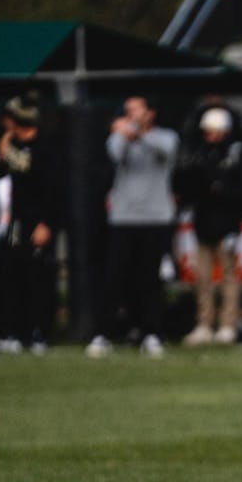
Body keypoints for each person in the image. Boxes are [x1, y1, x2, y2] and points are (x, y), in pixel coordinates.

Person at [86, 96, 179, 359]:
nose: (132, 115)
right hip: (123, 218)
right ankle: (103, 333)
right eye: (128, 111)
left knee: (150, 277)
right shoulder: (120, 137)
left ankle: (151, 333)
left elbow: (167, 152)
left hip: (156, 217)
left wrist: (136, 131)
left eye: (137, 110)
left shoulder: (166, 136)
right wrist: (124, 134)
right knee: (115, 276)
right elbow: (115, 153)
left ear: (150, 112)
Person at [175, 106, 242, 346]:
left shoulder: (236, 155)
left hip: (227, 224)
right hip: (204, 224)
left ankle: (228, 324)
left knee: (229, 277)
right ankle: (204, 323)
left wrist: (221, 192)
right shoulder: (199, 154)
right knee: (202, 277)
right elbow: (189, 188)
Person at [0, 93, 60, 354]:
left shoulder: (45, 149)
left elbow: (54, 191)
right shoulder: (15, 148)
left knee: (38, 278)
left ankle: (39, 332)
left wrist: (47, 223)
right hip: (18, 221)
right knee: (12, 275)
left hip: (38, 220)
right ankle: (15, 332)